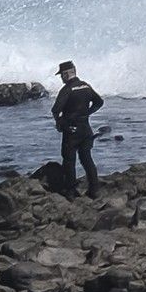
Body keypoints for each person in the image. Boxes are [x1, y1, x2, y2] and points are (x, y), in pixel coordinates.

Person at [52, 60, 104, 199]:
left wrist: (60, 123)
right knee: (87, 159)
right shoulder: (86, 86)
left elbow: (56, 109)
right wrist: (87, 113)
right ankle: (95, 189)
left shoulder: (67, 90)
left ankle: (71, 191)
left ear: (66, 74)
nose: (61, 78)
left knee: (69, 161)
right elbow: (99, 102)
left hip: (71, 131)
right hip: (86, 129)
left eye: (62, 75)